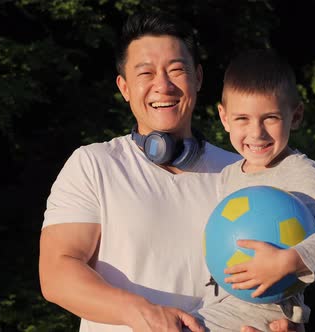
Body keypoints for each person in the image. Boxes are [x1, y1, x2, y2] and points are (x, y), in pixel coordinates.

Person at [39, 14, 297, 332]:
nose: (163, 86)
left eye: (176, 70)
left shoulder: (244, 173)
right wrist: (141, 312)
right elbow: (56, 273)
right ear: (124, 87)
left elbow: (275, 274)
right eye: (146, 73)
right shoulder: (94, 164)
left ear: (198, 78)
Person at [190, 50, 315, 332]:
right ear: (224, 117)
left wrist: (286, 261)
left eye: (270, 118)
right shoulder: (228, 174)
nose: (257, 133)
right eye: (242, 118)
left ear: (296, 116)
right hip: (220, 305)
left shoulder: (299, 171)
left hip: (264, 310)